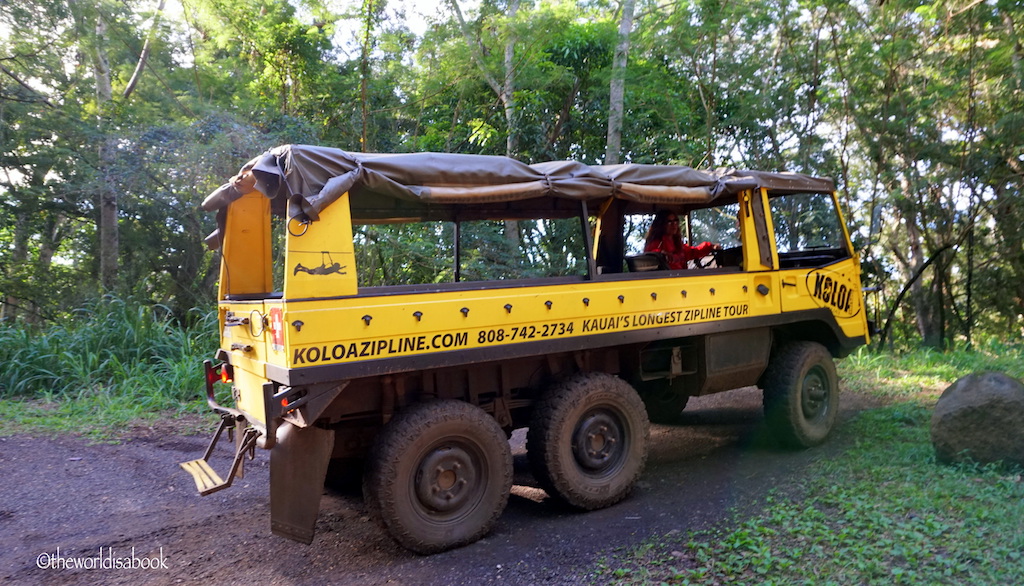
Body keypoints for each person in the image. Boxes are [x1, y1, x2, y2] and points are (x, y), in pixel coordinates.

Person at [644, 211, 721, 270]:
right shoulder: (656, 242)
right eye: (669, 222)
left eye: (676, 221)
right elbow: (650, 257)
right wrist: (660, 254)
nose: (674, 224)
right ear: (661, 224)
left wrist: (710, 246)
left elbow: (692, 252)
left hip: (681, 278)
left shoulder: (677, 243)